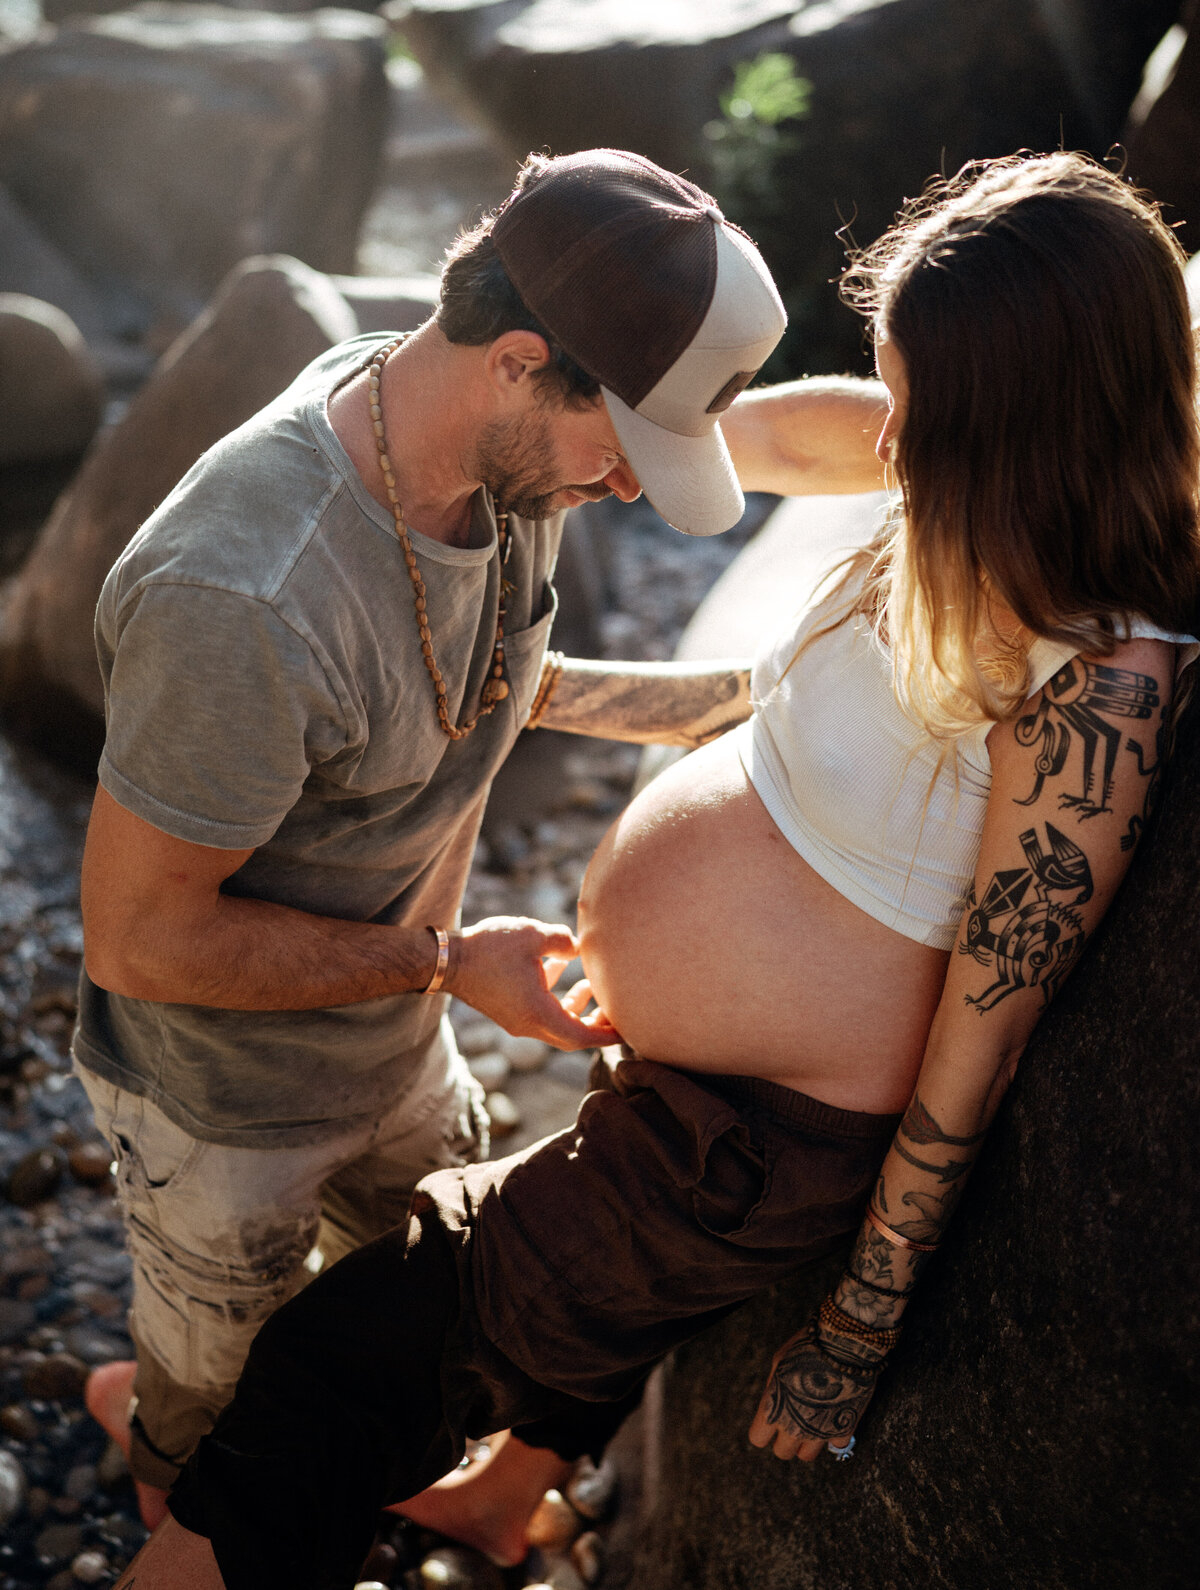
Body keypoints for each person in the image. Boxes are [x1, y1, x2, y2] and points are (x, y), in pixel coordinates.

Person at [114, 149, 1200, 1590]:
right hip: (689, 1073)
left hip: (746, 1139)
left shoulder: (1097, 677)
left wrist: (859, 1325)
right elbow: (771, 660)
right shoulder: (966, 496)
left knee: (354, 1353)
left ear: (1026, 415)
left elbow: (985, 1036)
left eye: (915, 406)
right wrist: (542, 682)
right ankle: (504, 1497)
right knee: (558, 1283)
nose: (887, 439)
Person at [75, 146, 790, 1539]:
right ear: (521, 361)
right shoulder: (244, 594)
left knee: (410, 1348)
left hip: (403, 1035)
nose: (628, 492)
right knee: (212, 1433)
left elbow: (491, 683)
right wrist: (449, 962)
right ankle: (155, 1456)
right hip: (224, 1114)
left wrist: (775, 700)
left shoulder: (492, 464)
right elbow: (138, 938)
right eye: (623, 448)